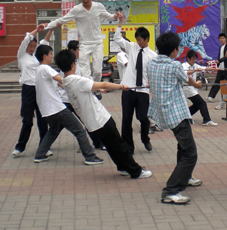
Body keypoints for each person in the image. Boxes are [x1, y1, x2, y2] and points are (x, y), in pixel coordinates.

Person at [56, 49, 152, 179]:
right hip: (100, 119)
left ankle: (123, 167)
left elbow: (85, 89)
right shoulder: (76, 80)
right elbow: (105, 83)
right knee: (119, 145)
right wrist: (121, 86)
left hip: (91, 123)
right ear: (73, 64)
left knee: (112, 147)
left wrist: (99, 89)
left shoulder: (66, 81)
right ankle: (136, 171)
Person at [147, 32, 204, 205]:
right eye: (178, 48)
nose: (178, 50)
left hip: (163, 113)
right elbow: (187, 79)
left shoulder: (151, 63)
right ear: (174, 50)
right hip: (177, 114)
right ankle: (171, 190)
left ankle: (185, 177)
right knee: (190, 154)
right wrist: (197, 84)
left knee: (183, 146)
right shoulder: (174, 65)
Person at [32, 44, 103, 165]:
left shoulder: (38, 70)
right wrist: (85, 86)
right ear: (44, 56)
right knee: (79, 130)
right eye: (50, 54)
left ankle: (40, 154)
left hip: (46, 110)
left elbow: (61, 84)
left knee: (53, 131)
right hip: (56, 108)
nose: (52, 56)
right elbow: (64, 80)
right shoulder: (46, 68)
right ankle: (90, 156)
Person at [42, 0, 121, 84]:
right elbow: (62, 20)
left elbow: (109, 17)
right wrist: (46, 26)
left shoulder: (98, 6)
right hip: (84, 44)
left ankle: (95, 88)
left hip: (97, 43)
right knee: (85, 73)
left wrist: (116, 16)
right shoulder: (77, 10)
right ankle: (89, 89)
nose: (85, 0)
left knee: (97, 71)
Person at [114, 17, 157, 153]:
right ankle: (128, 146)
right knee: (126, 119)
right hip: (128, 88)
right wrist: (120, 23)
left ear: (147, 39)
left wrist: (152, 82)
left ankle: (145, 138)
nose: (138, 42)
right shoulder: (132, 47)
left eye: (140, 40)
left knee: (143, 118)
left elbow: (154, 73)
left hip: (143, 90)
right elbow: (117, 38)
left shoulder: (153, 56)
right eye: (137, 39)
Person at [11, 26, 55, 158]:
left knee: (43, 119)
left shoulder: (37, 56)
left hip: (39, 88)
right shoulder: (21, 55)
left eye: (34, 46)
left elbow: (45, 43)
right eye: (30, 46)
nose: (32, 48)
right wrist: (37, 29)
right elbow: (26, 38)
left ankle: (45, 147)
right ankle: (20, 147)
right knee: (28, 120)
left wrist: (51, 30)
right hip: (27, 90)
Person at [60, 40, 105, 151]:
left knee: (87, 121)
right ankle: (43, 148)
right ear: (72, 51)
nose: (80, 52)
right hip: (67, 99)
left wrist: (96, 88)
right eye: (78, 50)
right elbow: (61, 81)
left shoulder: (80, 63)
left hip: (78, 99)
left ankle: (97, 143)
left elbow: (86, 79)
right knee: (57, 126)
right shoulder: (66, 64)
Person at [182, 50, 217, 126]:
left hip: (194, 88)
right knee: (202, 103)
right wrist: (195, 70)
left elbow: (204, 68)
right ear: (188, 58)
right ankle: (207, 120)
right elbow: (185, 73)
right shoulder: (183, 66)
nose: (194, 61)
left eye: (195, 59)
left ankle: (184, 116)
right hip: (187, 88)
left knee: (197, 105)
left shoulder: (195, 65)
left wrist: (213, 69)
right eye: (193, 59)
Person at [207, 33, 227, 103]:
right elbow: (219, 56)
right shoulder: (220, 47)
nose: (221, 40)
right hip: (221, 68)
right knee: (217, 82)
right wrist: (218, 63)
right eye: (220, 38)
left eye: (223, 38)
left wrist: (219, 60)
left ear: (225, 39)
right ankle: (211, 96)